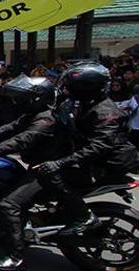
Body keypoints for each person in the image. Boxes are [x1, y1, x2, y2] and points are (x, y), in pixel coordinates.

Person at [0, 75, 70, 271]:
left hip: (48, 171)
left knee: (9, 203)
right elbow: (6, 129)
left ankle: (15, 256)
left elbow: (19, 141)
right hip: (39, 166)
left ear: (36, 98)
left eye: (22, 98)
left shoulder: (46, 120)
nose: (17, 102)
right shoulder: (34, 114)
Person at [36, 62, 139, 235]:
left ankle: (83, 216)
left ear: (86, 88)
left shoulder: (106, 112)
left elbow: (98, 146)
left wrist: (60, 162)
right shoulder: (88, 104)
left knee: (48, 175)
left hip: (104, 165)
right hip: (95, 161)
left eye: (71, 86)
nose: (67, 89)